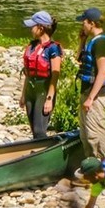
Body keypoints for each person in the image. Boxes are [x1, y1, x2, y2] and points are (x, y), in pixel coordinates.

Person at [76, 6, 105, 160]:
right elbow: (79, 58)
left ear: (91, 23)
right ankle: (90, 166)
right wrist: (82, 40)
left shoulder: (101, 44)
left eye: (84, 22)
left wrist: (91, 98)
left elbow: (102, 73)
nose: (82, 26)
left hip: (96, 95)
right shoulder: (92, 42)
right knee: (85, 133)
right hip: (86, 91)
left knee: (95, 133)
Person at [19, 10, 63, 139]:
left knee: (39, 130)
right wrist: (23, 94)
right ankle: (36, 151)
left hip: (43, 90)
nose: (30, 29)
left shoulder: (53, 48)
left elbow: (55, 76)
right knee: (34, 129)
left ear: (41, 28)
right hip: (30, 91)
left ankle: (45, 153)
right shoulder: (32, 46)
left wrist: (49, 99)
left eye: (33, 26)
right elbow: (28, 74)